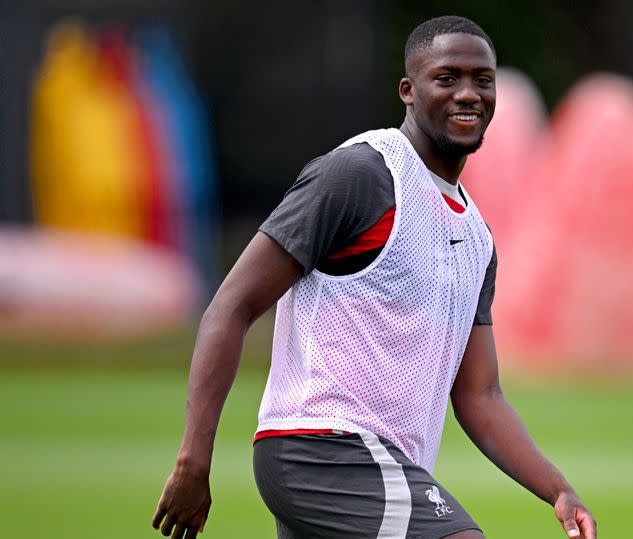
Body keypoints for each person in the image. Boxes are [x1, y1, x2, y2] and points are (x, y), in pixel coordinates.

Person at [152, 15, 597, 539]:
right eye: (447, 77)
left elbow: (481, 396)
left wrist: (557, 489)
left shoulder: (476, 238)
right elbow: (232, 305)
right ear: (408, 90)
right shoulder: (361, 175)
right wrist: (192, 460)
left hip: (375, 465)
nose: (469, 94)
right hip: (321, 447)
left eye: (483, 79)